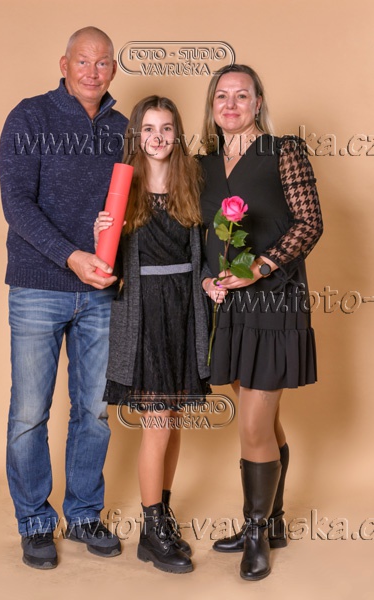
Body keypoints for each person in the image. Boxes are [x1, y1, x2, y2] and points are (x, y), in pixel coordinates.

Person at [0, 26, 128, 569]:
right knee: (30, 411)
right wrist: (71, 256)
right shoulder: (30, 117)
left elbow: (134, 208)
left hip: (101, 292)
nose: (93, 72)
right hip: (38, 286)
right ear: (64, 64)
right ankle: (34, 522)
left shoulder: (124, 129)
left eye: (103, 63)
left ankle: (84, 514)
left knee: (94, 411)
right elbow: (17, 205)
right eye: (83, 61)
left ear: (113, 69)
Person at [199, 64, 323, 580]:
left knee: (251, 424)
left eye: (241, 95)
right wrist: (207, 279)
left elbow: (310, 222)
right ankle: (272, 522)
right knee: (264, 422)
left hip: (274, 301)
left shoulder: (283, 151)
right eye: (222, 96)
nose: (231, 105)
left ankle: (255, 536)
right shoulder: (203, 164)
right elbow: (198, 235)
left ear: (257, 102)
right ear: (212, 106)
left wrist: (261, 267)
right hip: (228, 308)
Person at [95, 96, 213, 574]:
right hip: (144, 313)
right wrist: (102, 230)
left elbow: (205, 252)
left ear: (177, 134)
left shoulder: (193, 182)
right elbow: (107, 262)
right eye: (148, 128)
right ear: (136, 136)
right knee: (158, 422)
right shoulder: (124, 186)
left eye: (166, 128)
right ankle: (150, 529)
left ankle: (161, 515)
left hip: (184, 310)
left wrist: (211, 281)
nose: (158, 137)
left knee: (174, 420)